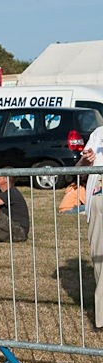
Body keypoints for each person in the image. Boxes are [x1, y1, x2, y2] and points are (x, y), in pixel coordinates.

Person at [77, 128, 103, 327]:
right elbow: (79, 170)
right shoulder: (98, 134)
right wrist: (86, 160)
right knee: (100, 261)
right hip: (98, 199)